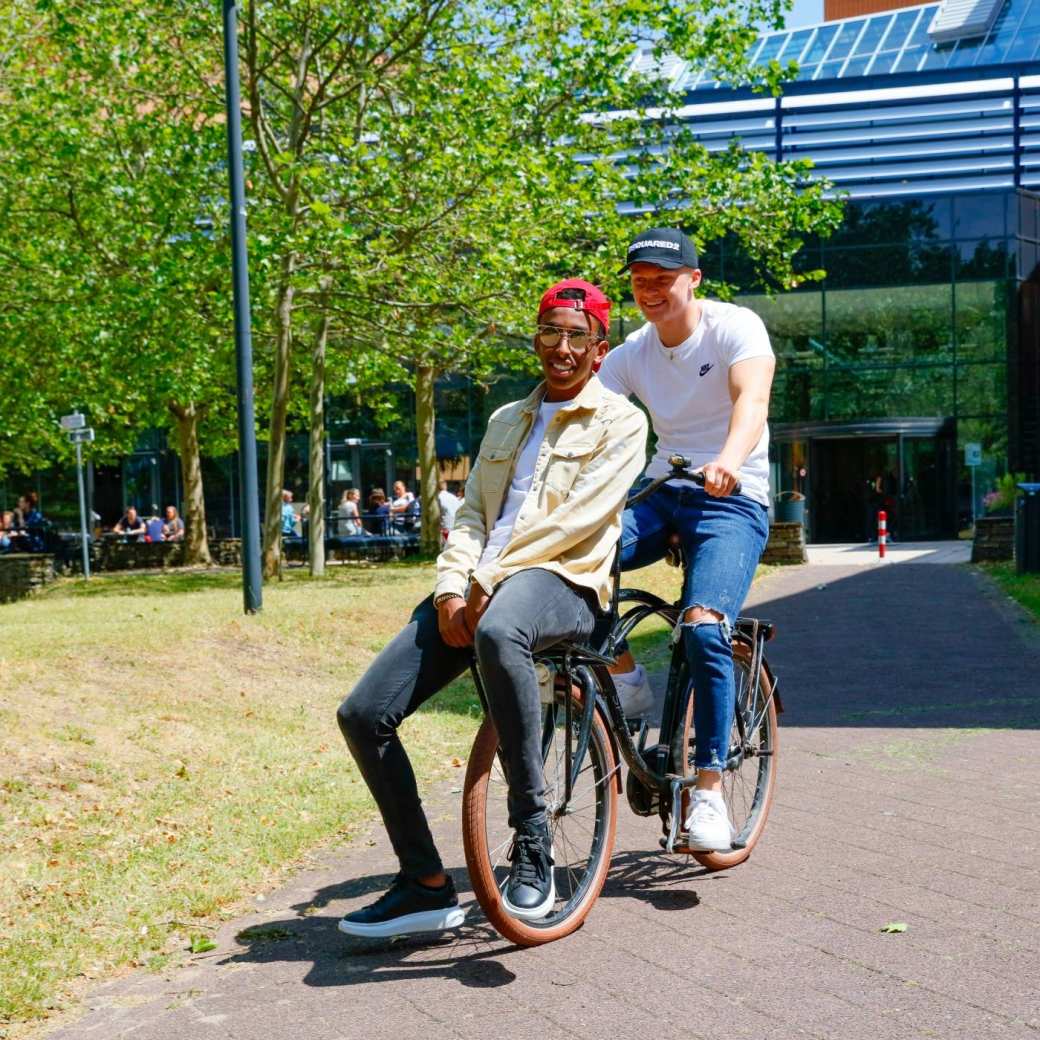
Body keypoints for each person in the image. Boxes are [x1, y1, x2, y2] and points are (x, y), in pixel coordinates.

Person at [336, 278, 647, 938]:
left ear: (599, 347)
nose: (560, 348)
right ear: (535, 338)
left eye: (576, 336)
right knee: (364, 713)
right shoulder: (507, 418)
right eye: (549, 333)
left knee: (502, 628)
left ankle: (532, 838)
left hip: (564, 583)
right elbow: (473, 513)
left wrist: (493, 579)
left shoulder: (621, 421)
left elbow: (580, 521)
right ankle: (423, 881)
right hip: (479, 581)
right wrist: (454, 587)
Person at [599, 227, 775, 853]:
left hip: (733, 493)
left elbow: (751, 401)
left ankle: (708, 791)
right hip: (664, 488)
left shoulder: (736, 328)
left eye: (663, 278)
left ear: (693, 279)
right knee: (574, 566)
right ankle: (628, 683)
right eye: (639, 279)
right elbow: (583, 418)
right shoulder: (630, 354)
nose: (649, 289)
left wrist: (728, 458)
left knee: (703, 627)